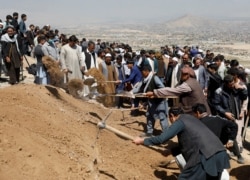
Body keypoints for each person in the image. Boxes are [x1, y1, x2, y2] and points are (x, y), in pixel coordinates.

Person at [133, 107, 230, 179]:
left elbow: (162, 139)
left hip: (204, 157)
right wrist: (171, 151)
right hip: (220, 153)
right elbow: (192, 141)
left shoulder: (180, 121)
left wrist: (142, 140)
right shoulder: (191, 119)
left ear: (172, 116)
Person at [146, 66, 211, 114]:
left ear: (187, 75)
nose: (181, 75)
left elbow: (173, 91)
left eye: (182, 74)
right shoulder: (194, 81)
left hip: (198, 112)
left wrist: (154, 92)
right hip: (200, 110)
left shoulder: (188, 85)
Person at [134, 64, 168, 137]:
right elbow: (139, 89)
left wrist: (154, 94)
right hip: (150, 102)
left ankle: (166, 134)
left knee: (162, 117)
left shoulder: (154, 78)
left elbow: (162, 88)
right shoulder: (144, 80)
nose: (141, 73)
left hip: (159, 101)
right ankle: (149, 132)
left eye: (142, 71)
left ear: (147, 71)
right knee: (149, 116)